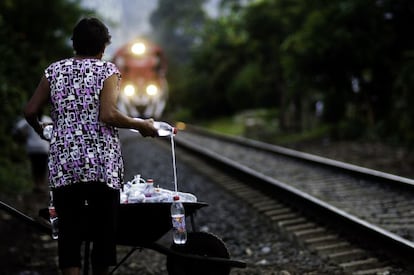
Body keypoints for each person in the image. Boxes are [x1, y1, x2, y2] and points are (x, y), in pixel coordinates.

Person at [24, 17, 158, 275]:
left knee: (69, 236)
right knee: (104, 233)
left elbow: (30, 110)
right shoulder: (107, 71)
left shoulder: (54, 71)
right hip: (101, 166)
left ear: (74, 44)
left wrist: (41, 130)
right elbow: (108, 115)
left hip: (65, 166)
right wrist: (141, 124)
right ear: (103, 48)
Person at [13, 113, 52, 193]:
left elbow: (17, 129)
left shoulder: (29, 119)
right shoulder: (47, 119)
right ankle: (41, 185)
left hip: (32, 147)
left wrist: (22, 139)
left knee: (35, 166)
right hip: (43, 147)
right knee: (42, 166)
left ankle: (37, 184)